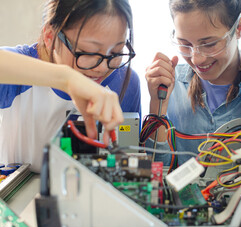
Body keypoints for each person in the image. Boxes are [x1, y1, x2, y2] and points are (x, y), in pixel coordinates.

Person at [0, 0, 140, 172]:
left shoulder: (125, 82)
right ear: (50, 36)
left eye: (116, 52)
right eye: (88, 52)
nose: (102, 68)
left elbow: (128, 165)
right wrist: (65, 78)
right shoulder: (15, 74)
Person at [145, 0, 241, 166]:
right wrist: (157, 105)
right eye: (184, 44)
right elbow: (157, 171)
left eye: (209, 44)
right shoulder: (169, 84)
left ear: (239, 28)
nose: (196, 58)